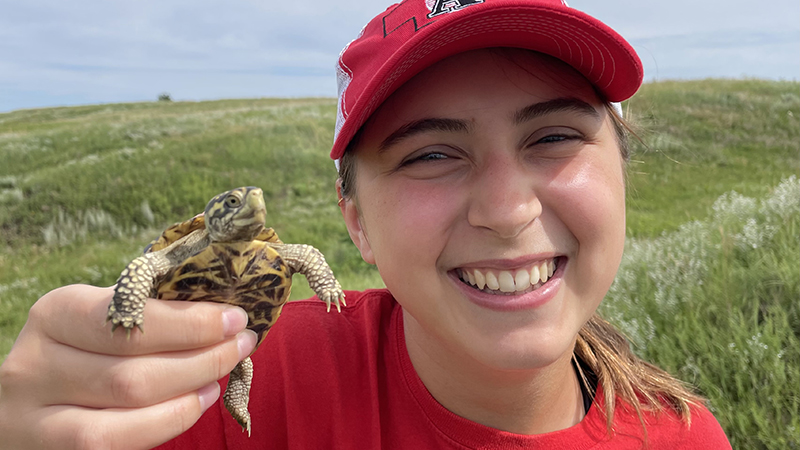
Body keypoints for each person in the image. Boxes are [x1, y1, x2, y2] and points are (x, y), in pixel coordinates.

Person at [0, 0, 733, 448]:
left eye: (552, 138)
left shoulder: (686, 439)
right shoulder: (217, 384)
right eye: (432, 153)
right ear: (356, 221)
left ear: (622, 167)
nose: (508, 211)